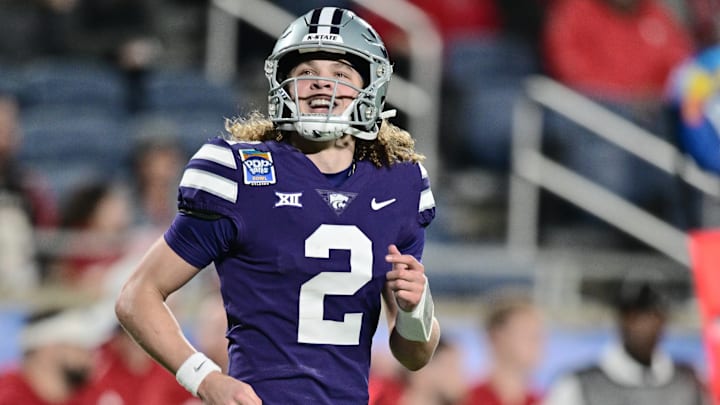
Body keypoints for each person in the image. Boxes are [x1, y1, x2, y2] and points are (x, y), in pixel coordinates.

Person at [115, 6, 441, 405]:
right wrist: (205, 378)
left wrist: (413, 310)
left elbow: (415, 356)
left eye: (340, 74)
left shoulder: (399, 182)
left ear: (370, 88)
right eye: (307, 73)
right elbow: (137, 296)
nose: (323, 85)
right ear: (282, 84)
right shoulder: (241, 173)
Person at [542, 277, 709, 405]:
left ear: (663, 320)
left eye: (652, 315)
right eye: (634, 315)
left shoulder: (689, 383)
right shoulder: (579, 385)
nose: (643, 325)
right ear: (620, 319)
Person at [0, 306, 112, 405]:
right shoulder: (7, 396)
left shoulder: (97, 396)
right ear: (48, 349)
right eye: (80, 347)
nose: (93, 356)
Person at [460, 292, 544, 405]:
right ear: (497, 337)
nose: (537, 342)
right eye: (526, 333)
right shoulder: (465, 398)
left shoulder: (542, 400)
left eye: (538, 334)